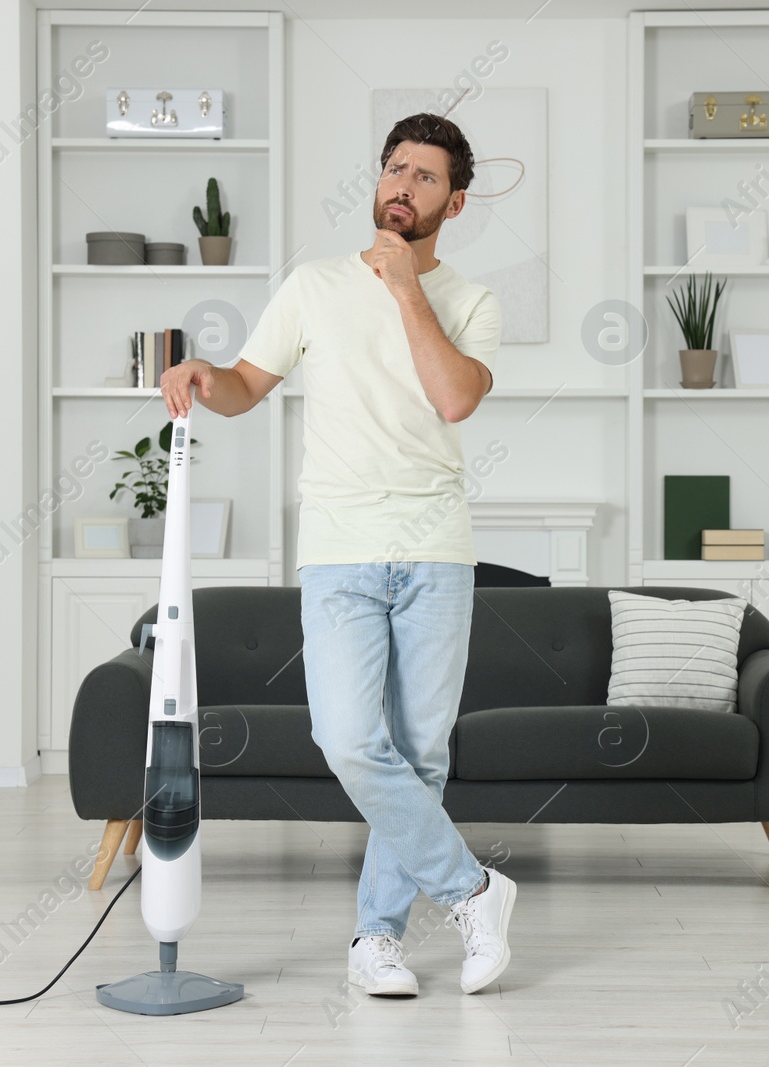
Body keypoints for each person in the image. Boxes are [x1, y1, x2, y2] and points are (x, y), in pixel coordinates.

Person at [159, 112, 514, 997]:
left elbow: (455, 398)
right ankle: (475, 890)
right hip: (339, 549)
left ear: (454, 201)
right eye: (395, 168)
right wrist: (210, 377)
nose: (402, 185)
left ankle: (376, 940)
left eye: (425, 177)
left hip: (436, 549)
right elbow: (249, 383)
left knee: (421, 753)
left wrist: (406, 291)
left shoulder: (470, 302)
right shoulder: (313, 285)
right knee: (350, 737)